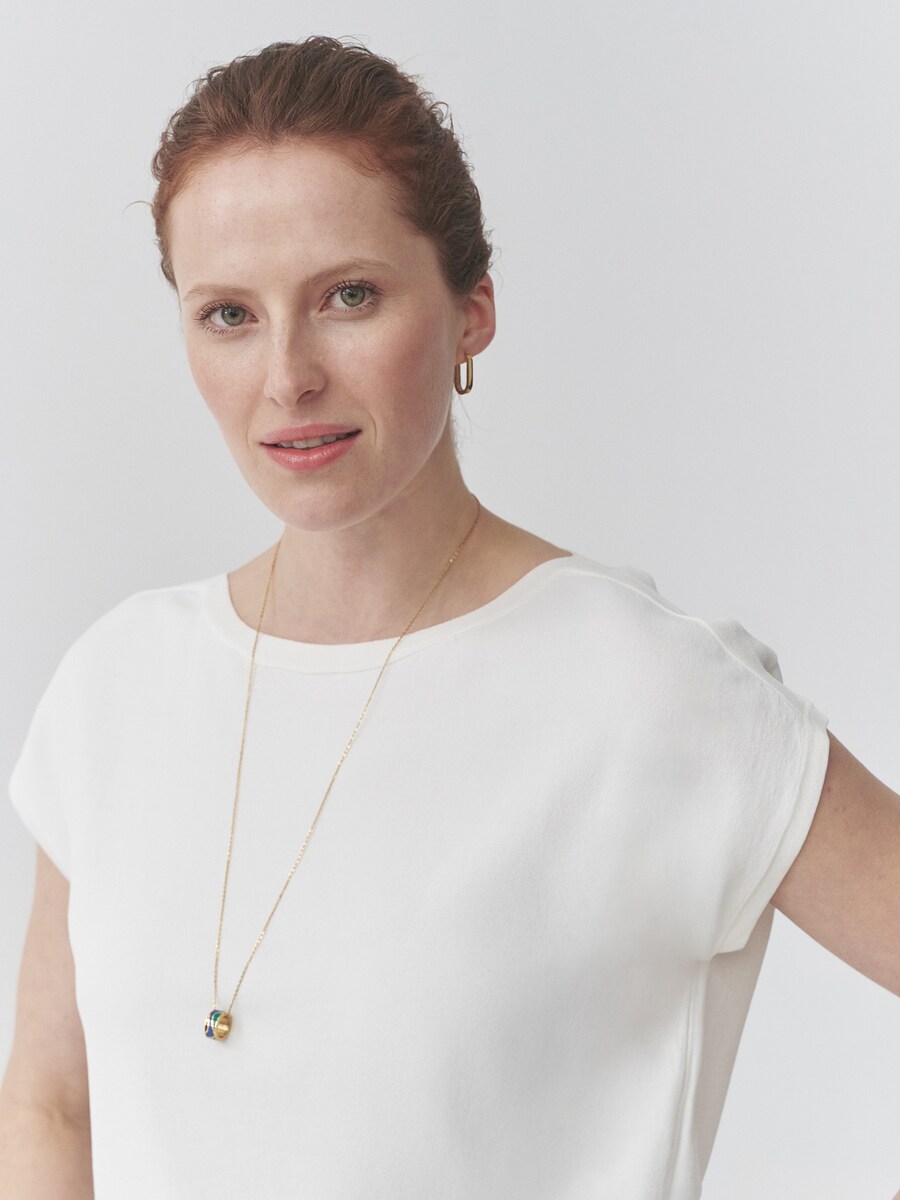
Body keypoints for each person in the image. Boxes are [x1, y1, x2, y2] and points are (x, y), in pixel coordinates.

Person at [0, 36, 897, 1200]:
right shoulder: (116, 685)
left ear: (472, 312)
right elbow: (52, 1103)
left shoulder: (643, 686)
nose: (287, 376)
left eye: (349, 297)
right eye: (227, 314)